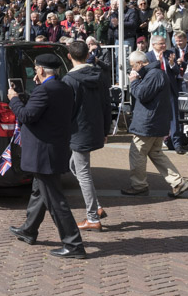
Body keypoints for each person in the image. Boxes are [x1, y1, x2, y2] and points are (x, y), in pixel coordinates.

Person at [7, 53, 86, 259]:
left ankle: (73, 243)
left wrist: (14, 100)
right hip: (55, 148)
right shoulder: (64, 87)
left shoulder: (44, 91)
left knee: (55, 200)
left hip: (43, 153)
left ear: (41, 70)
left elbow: (26, 115)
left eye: (36, 70)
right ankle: (29, 229)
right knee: (39, 192)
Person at [121, 50, 188, 198]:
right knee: (155, 153)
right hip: (155, 121)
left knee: (138, 153)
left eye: (133, 66)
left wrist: (134, 82)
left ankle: (139, 185)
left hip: (148, 122)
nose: (132, 69)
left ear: (140, 63)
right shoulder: (155, 73)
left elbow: (143, 95)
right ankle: (177, 182)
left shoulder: (154, 74)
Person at [63, 40, 112, 231]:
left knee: (83, 173)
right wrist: (105, 129)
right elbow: (107, 105)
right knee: (74, 166)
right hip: (94, 128)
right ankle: (97, 208)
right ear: (87, 55)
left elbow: (67, 110)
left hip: (78, 130)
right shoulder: (100, 75)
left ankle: (92, 217)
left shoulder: (69, 80)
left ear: (69, 56)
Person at [147, 35, 187, 153]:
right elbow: (147, 72)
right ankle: (155, 142)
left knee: (174, 116)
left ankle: (176, 143)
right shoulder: (148, 56)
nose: (164, 45)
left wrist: (172, 64)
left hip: (170, 89)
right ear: (154, 45)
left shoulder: (170, 53)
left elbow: (176, 72)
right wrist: (158, 62)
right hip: (156, 91)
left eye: (164, 43)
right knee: (156, 116)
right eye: (161, 44)